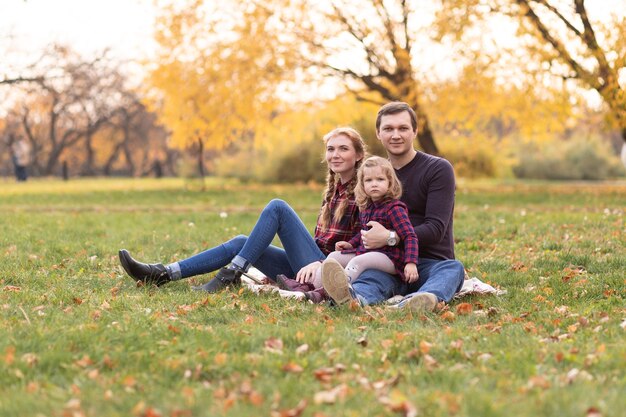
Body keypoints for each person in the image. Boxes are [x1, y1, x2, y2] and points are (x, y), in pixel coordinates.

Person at [118, 127, 366, 299]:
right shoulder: (333, 190)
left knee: (277, 207)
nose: (335, 155)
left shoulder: (366, 190)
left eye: (343, 149)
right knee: (240, 242)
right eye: (331, 149)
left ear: (358, 155)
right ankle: (163, 273)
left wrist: (325, 261)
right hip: (310, 265)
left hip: (331, 271)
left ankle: (232, 273)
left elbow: (368, 245)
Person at [321, 102, 465, 311]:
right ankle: (354, 298)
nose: (396, 135)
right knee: (371, 277)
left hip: (429, 262)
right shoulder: (373, 175)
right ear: (378, 133)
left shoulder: (437, 169)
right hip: (388, 261)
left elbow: (435, 228)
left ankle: (422, 300)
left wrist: (391, 236)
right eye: (388, 129)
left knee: (453, 269)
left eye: (403, 128)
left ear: (415, 131)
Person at [320, 156, 419, 304]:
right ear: (362, 184)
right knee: (334, 256)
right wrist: (351, 244)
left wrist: (411, 263)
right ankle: (320, 291)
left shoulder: (394, 208)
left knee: (359, 261)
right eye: (369, 180)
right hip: (369, 252)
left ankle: (344, 293)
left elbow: (410, 236)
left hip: (391, 258)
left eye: (380, 180)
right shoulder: (366, 208)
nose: (374, 184)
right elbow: (363, 232)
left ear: (390, 182)